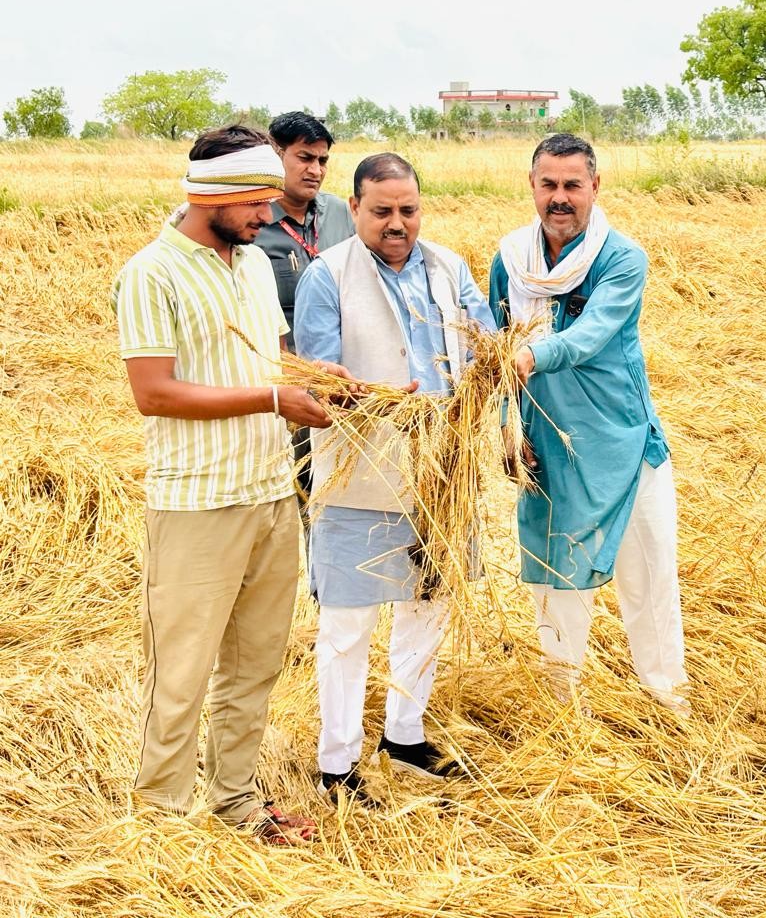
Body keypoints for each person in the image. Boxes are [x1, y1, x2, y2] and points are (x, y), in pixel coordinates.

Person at [112, 124, 350, 845]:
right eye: (259, 201)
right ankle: (158, 823)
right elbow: (155, 393)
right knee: (179, 676)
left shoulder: (249, 264)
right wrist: (276, 401)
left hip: (273, 495)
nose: (270, 217)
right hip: (196, 506)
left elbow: (273, 359)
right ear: (218, 193)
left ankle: (236, 804)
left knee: (253, 670)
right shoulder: (150, 273)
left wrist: (323, 379)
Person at [295, 153, 494, 806]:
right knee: (347, 627)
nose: (397, 223)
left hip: (440, 477)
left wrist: (488, 369)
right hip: (360, 480)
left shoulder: (449, 267)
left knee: (427, 609)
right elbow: (319, 377)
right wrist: (367, 396)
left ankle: (404, 735)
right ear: (354, 209)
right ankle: (338, 764)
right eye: (381, 211)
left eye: (408, 210)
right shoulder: (327, 277)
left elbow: (483, 340)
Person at [488, 133, 689, 715]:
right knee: (555, 578)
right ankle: (561, 708)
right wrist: (508, 424)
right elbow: (500, 348)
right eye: (548, 184)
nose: (560, 197)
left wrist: (533, 355)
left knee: (648, 580)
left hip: (625, 443)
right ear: (531, 186)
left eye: (572, 185)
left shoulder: (621, 259)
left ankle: (668, 699)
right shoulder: (511, 261)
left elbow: (592, 332)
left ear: (595, 188)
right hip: (550, 443)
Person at [255, 111, 356, 503]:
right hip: (288, 384)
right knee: (303, 490)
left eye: (323, 160)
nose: (315, 170)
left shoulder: (342, 214)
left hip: (345, 380)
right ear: (275, 156)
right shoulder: (253, 220)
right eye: (304, 158)